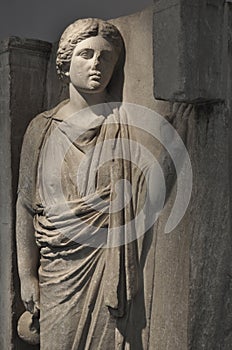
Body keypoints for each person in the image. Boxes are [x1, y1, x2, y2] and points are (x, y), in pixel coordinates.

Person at [16, 18, 147, 350]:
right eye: (85, 54)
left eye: (106, 58)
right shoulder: (42, 128)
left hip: (108, 265)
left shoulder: (124, 124)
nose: (96, 65)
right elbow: (25, 205)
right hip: (58, 271)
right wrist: (26, 276)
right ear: (65, 61)